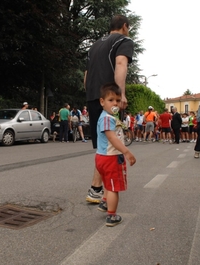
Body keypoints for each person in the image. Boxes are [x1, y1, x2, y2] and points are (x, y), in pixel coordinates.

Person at [83, 14, 134, 203]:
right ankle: (105, 191)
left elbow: (86, 76)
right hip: (110, 97)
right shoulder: (124, 40)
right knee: (112, 143)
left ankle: (96, 188)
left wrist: (91, 94)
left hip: (94, 96)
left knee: (102, 144)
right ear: (124, 26)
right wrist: (120, 95)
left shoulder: (94, 45)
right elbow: (121, 64)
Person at [96, 83, 136, 226]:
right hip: (111, 158)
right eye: (111, 100)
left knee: (108, 182)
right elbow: (112, 137)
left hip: (102, 157)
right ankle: (111, 216)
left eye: (118, 101)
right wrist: (126, 152)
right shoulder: (107, 118)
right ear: (102, 102)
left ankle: (105, 202)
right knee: (114, 187)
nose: (115, 103)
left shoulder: (107, 116)